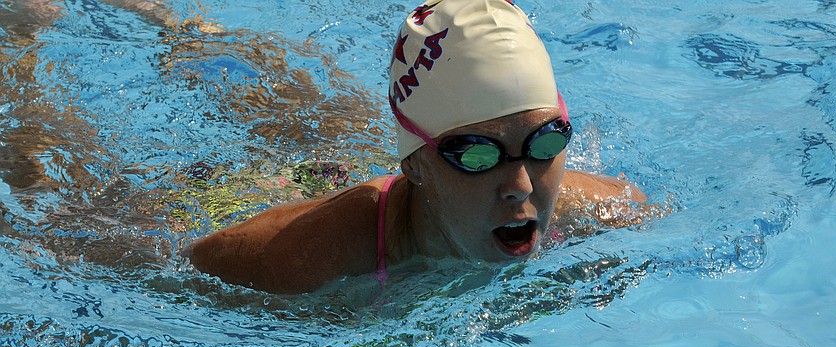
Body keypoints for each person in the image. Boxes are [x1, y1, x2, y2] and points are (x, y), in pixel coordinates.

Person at [185, 0, 647, 294]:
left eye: (544, 144)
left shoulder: (601, 211)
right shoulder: (302, 255)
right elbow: (153, 272)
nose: (521, 185)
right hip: (270, 187)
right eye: (477, 155)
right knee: (245, 91)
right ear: (416, 163)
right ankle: (183, 30)